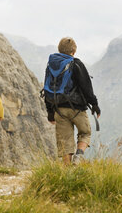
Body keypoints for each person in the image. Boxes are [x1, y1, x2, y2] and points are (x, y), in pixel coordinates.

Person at [45, 37, 101, 165]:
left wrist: (50, 112)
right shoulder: (76, 64)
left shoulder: (51, 65)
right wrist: (95, 104)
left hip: (58, 109)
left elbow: (47, 88)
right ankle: (78, 157)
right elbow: (86, 86)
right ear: (74, 51)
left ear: (59, 50)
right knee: (85, 133)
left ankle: (67, 172)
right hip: (77, 108)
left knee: (65, 140)